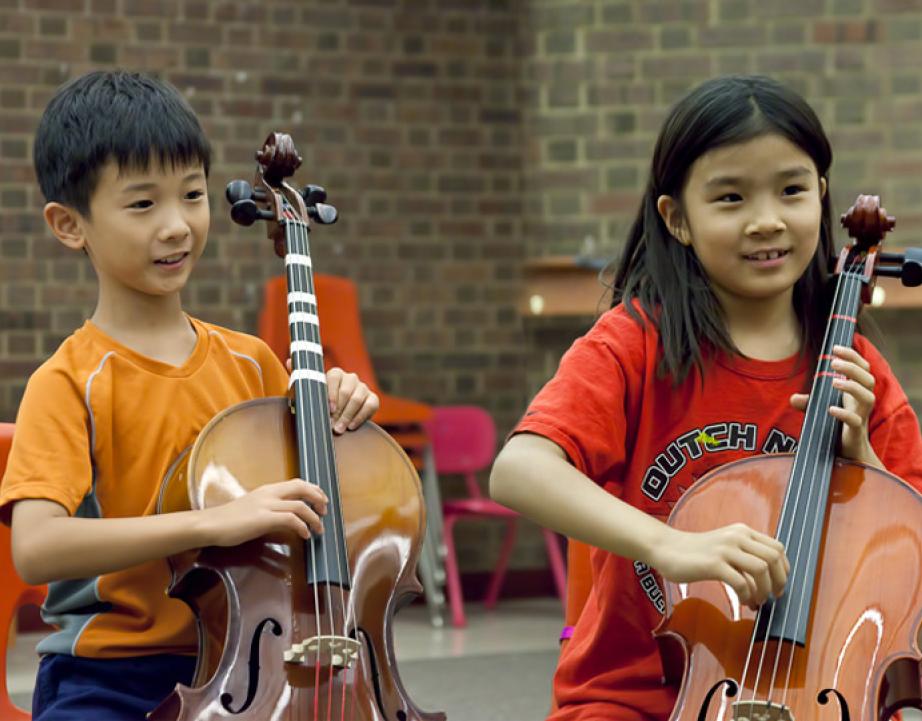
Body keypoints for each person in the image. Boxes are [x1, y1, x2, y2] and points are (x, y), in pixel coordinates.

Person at [490, 74, 922, 721]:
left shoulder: (857, 370)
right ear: (677, 219)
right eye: (730, 197)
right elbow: (519, 470)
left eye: (792, 190)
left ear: (822, 195)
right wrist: (670, 545)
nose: (767, 219)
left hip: (822, 695)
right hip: (635, 699)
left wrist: (868, 466)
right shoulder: (636, 342)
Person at [0, 70, 379, 720]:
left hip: (252, 661)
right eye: (143, 204)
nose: (178, 226)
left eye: (193, 195)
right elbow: (37, 545)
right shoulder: (67, 381)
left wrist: (335, 402)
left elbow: (317, 493)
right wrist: (210, 523)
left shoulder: (252, 363)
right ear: (69, 224)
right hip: (110, 676)